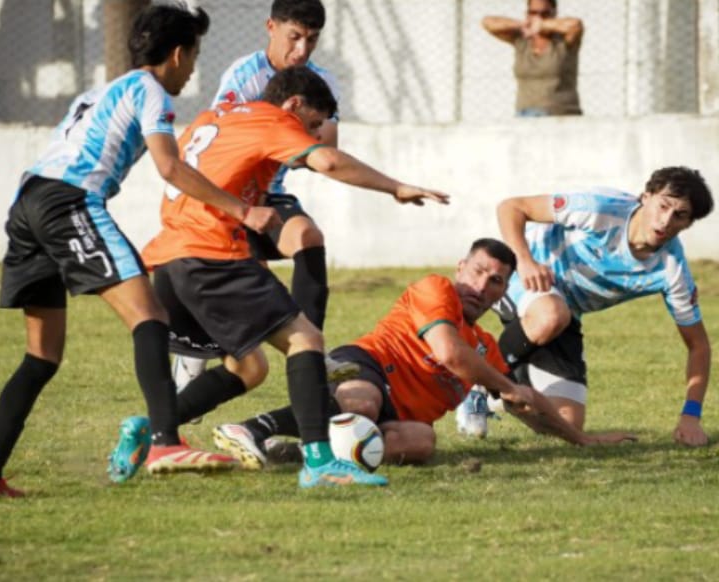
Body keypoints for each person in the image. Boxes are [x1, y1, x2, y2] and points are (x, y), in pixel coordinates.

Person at [109, 65, 449, 487]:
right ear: (293, 104)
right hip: (211, 253)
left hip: (171, 257)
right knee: (304, 339)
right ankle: (320, 463)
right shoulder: (272, 119)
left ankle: (155, 426)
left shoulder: (215, 117)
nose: (313, 135)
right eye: (312, 124)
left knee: (249, 367)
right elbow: (328, 161)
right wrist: (395, 187)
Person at [0, 3, 288, 498]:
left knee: (41, 356)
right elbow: (170, 167)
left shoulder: (103, 90)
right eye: (193, 56)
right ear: (176, 54)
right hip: (69, 200)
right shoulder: (150, 90)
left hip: (28, 202)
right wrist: (244, 211)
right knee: (149, 315)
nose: (192, 69)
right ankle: (165, 444)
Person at [212, 239, 634, 468]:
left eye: (496, 282)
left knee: (421, 441)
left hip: (399, 414)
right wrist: (506, 386)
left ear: (504, 291)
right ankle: (251, 428)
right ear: (460, 268)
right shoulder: (435, 289)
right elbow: (449, 353)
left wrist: (581, 438)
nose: (481, 286)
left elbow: (525, 404)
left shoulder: (486, 346)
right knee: (363, 401)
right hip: (367, 365)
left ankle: (302, 453)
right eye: (478, 272)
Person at [457, 167, 714, 447]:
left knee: (566, 423)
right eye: (663, 206)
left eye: (680, 215)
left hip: (563, 315)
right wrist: (526, 261)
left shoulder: (672, 270)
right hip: (520, 279)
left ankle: (501, 393)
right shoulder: (600, 209)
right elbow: (511, 207)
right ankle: (477, 383)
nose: (666, 220)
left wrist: (691, 416)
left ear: (688, 224)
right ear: (645, 197)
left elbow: (698, 346)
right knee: (551, 314)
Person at [172, 0, 339, 390]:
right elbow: (223, 137)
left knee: (308, 237)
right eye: (294, 37)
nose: (302, 50)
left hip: (270, 193)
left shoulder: (322, 81)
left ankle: (312, 354)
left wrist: (290, 145)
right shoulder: (244, 75)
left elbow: (326, 147)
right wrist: (289, 142)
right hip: (227, 195)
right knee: (248, 284)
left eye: (312, 40)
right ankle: (195, 353)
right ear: (271, 27)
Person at [482, 0, 583, 116]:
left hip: (560, 114)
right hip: (525, 114)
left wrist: (541, 25)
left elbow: (576, 25)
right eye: (533, 13)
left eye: (545, 13)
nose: (538, 17)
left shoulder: (563, 40)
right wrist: (523, 24)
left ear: (554, 14)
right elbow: (487, 22)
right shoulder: (522, 40)